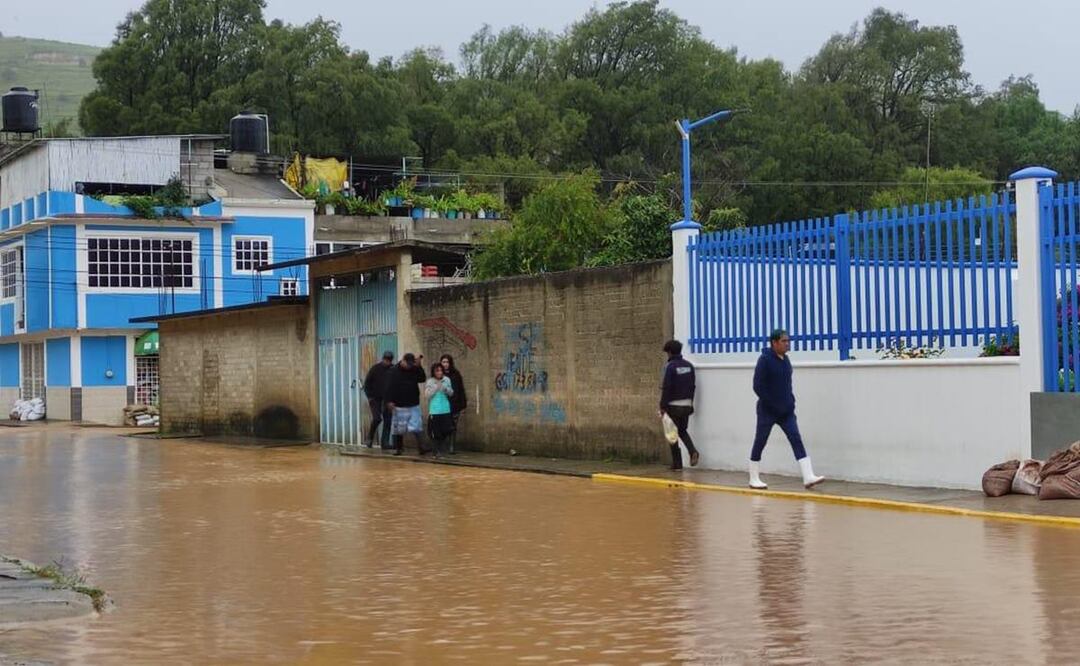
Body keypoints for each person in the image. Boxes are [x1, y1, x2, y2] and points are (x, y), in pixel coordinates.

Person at [749, 329, 825, 489]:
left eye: (788, 341)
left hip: (786, 411)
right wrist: (771, 403)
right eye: (784, 341)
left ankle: (808, 476)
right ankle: (754, 477)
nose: (787, 344)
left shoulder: (786, 360)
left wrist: (790, 401)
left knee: (796, 438)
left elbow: (787, 384)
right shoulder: (764, 360)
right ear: (774, 343)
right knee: (761, 441)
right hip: (767, 410)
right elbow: (757, 386)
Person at [659, 339, 699, 470]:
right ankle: (692, 451)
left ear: (669, 352)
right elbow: (693, 386)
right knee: (682, 430)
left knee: (672, 433)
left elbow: (667, 387)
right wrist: (691, 403)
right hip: (686, 404)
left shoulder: (670, 367)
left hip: (672, 405)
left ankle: (677, 464)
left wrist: (662, 406)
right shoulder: (689, 366)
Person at [385, 353, 428, 456]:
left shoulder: (414, 368)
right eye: (407, 364)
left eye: (411, 364)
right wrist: (389, 401)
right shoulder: (393, 371)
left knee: (417, 426)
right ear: (403, 360)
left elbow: (422, 379)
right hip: (399, 404)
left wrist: (419, 366)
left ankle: (421, 447)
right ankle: (399, 449)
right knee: (399, 428)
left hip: (413, 403)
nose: (409, 366)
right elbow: (388, 387)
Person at [363, 351, 394, 448]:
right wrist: (369, 397)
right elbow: (367, 384)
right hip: (375, 399)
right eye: (386, 359)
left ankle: (385, 443)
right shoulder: (375, 369)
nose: (387, 362)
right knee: (377, 418)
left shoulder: (393, 369)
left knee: (388, 420)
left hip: (387, 399)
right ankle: (370, 438)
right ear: (383, 358)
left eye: (389, 360)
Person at [425, 363, 456, 456]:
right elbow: (427, 395)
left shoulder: (446, 380)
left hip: (445, 409)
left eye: (441, 370)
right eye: (437, 371)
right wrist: (436, 387)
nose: (439, 373)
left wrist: (445, 388)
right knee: (435, 432)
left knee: (447, 430)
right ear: (433, 372)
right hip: (435, 410)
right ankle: (436, 450)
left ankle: (440, 448)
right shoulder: (430, 381)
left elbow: (451, 393)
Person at [440, 354, 467, 454]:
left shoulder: (456, 374)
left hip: (454, 405)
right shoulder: (439, 375)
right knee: (442, 426)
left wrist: (462, 404)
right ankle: (441, 445)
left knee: (452, 426)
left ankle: (451, 446)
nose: (445, 364)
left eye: (447, 362)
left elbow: (460, 389)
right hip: (441, 405)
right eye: (443, 362)